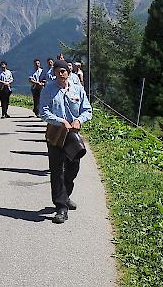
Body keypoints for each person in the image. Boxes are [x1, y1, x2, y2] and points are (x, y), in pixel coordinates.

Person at [40, 60, 92, 224]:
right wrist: (60, 121)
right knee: (57, 171)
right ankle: (61, 207)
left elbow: (87, 110)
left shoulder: (77, 89)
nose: (61, 74)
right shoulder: (48, 89)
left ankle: (66, 195)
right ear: (54, 73)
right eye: (58, 71)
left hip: (72, 135)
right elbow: (43, 112)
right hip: (56, 134)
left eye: (63, 71)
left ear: (68, 73)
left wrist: (79, 120)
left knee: (73, 168)